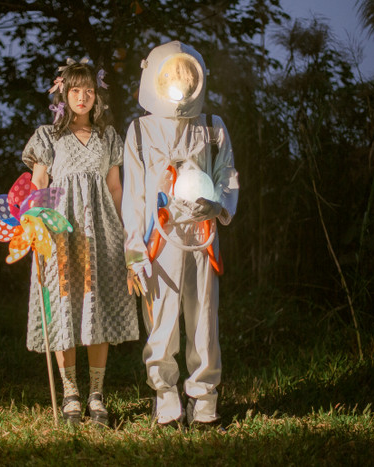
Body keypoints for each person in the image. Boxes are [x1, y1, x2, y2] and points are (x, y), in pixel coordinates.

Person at [122, 41, 239, 428]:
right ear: (155, 76)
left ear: (197, 78)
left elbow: (227, 176)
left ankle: (204, 399)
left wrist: (217, 204)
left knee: (204, 317)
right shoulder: (140, 131)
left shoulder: (212, 127)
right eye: (171, 75)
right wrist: (134, 252)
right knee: (162, 319)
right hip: (159, 238)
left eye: (185, 76)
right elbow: (134, 196)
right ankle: (166, 397)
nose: (179, 82)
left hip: (202, 235)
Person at [21, 59, 138, 426]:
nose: (82, 97)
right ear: (64, 94)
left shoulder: (108, 137)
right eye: (75, 90)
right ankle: (70, 393)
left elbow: (115, 188)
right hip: (60, 233)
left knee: (96, 307)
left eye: (89, 90)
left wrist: (125, 233)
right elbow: (39, 185)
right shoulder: (48, 137)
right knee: (64, 306)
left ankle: (96, 394)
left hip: (101, 233)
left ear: (97, 95)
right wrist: (35, 227)